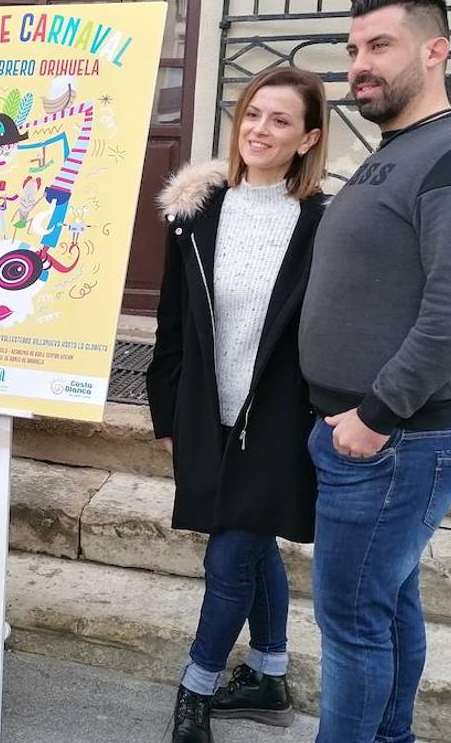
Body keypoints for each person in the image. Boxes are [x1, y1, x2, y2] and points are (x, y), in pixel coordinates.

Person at [299, 0, 451, 742]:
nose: (359, 65)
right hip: (375, 437)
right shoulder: (399, 150)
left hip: (397, 439)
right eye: (353, 50)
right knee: (386, 603)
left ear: (436, 51)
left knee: (353, 619)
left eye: (379, 47)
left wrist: (373, 416)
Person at [147, 66, 330, 743]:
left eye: (280, 120)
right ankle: (269, 673)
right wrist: (167, 413)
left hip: (278, 421)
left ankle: (195, 689)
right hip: (205, 412)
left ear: (308, 138)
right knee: (251, 547)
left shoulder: (319, 222)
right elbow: (172, 324)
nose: (260, 130)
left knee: (230, 555)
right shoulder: (197, 210)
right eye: (253, 114)